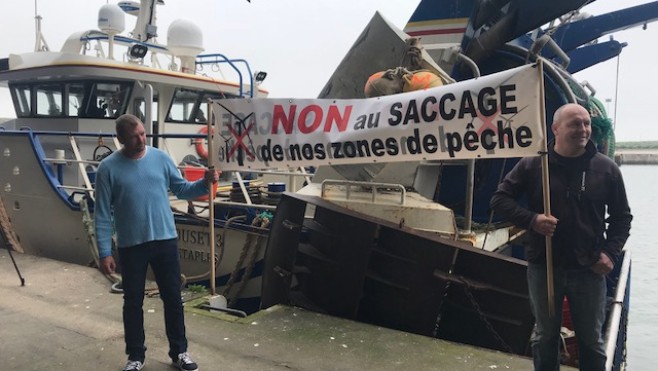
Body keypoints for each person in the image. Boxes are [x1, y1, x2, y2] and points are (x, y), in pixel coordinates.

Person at [490, 103, 632, 370]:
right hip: (545, 266)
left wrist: (610, 253)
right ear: (556, 128)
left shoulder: (606, 169)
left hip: (589, 268)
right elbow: (500, 200)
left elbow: (622, 218)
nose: (583, 129)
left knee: (591, 341)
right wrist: (532, 220)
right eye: (575, 124)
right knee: (545, 337)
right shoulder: (534, 164)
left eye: (586, 123)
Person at [95, 114, 219, 371]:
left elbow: (183, 190)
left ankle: (180, 352)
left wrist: (205, 182)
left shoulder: (160, 158)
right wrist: (105, 251)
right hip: (131, 246)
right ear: (120, 139)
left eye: (142, 133)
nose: (141, 140)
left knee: (173, 297)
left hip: (165, 240)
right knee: (132, 302)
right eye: (133, 137)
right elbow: (102, 213)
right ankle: (135, 356)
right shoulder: (107, 168)